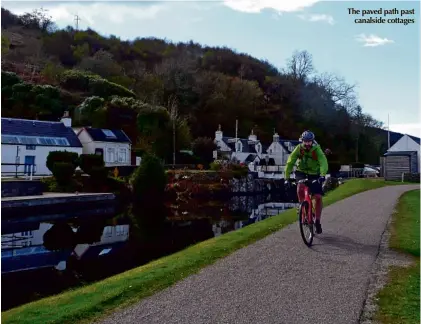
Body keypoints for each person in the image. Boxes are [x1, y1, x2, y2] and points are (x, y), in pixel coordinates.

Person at [284, 130, 328, 234]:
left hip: (314, 173)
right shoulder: (299, 149)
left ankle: (317, 221)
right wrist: (286, 177)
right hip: (301, 172)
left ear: (312, 141)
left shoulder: (317, 149)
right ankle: (301, 206)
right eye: (305, 141)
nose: (307, 143)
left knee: (318, 197)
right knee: (299, 188)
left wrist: (322, 175)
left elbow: (323, 162)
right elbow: (290, 162)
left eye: (309, 141)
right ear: (302, 141)